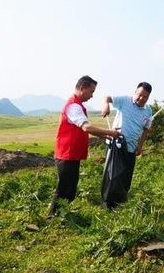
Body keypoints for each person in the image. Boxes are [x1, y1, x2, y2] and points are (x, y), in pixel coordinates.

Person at [47, 75, 121, 218]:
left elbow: (83, 128)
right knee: (64, 187)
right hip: (66, 154)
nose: (92, 95)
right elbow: (86, 127)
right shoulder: (73, 106)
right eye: (91, 91)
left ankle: (62, 214)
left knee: (70, 187)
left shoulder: (77, 105)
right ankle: (52, 217)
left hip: (72, 154)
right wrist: (110, 132)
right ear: (82, 88)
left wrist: (102, 135)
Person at [100, 82, 153, 208]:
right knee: (112, 176)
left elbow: (146, 130)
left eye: (145, 97)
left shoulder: (148, 111)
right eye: (139, 95)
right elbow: (106, 97)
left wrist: (140, 146)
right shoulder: (124, 101)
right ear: (135, 92)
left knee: (126, 177)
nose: (141, 99)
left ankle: (120, 203)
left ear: (148, 97)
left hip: (131, 148)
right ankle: (107, 205)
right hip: (116, 146)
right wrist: (106, 106)